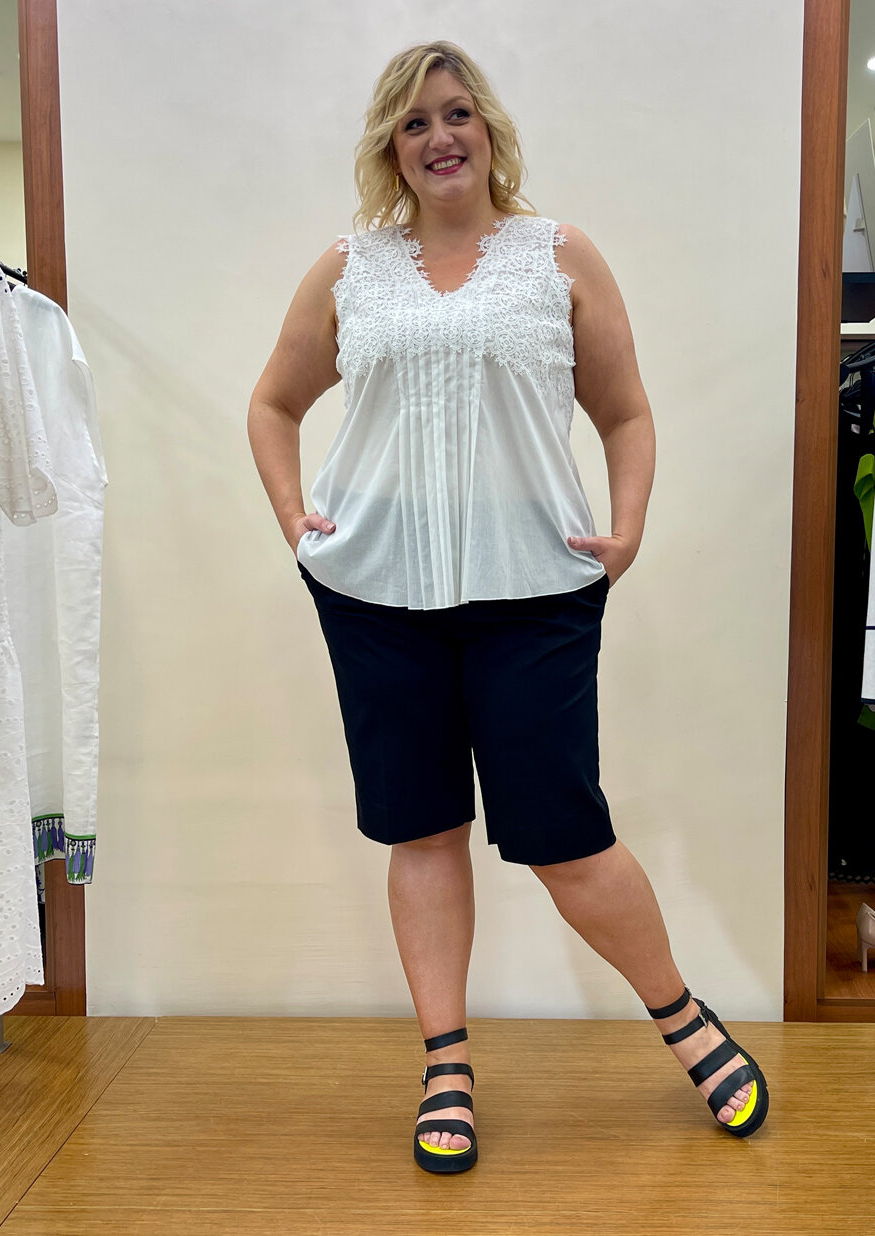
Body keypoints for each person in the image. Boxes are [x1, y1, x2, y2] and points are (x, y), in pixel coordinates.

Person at [247, 39, 769, 1174]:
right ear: (391, 148)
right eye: (414, 122)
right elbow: (273, 403)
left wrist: (626, 529)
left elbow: (624, 411)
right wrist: (298, 521)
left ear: (487, 129)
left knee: (564, 835)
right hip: (376, 594)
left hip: (535, 592)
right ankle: (446, 1063)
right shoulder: (350, 266)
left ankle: (684, 1017)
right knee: (421, 826)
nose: (440, 137)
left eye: (456, 114)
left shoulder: (557, 255)